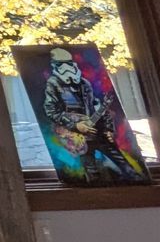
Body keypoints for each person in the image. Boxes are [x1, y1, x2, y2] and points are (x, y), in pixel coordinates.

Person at [40, 46, 146, 182]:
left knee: (127, 167)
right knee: (91, 173)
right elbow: (51, 111)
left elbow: (97, 107)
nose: (66, 68)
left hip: (97, 132)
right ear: (55, 66)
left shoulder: (84, 84)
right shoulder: (53, 84)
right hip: (77, 138)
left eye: (69, 63)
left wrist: (108, 129)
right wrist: (75, 125)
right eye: (61, 65)